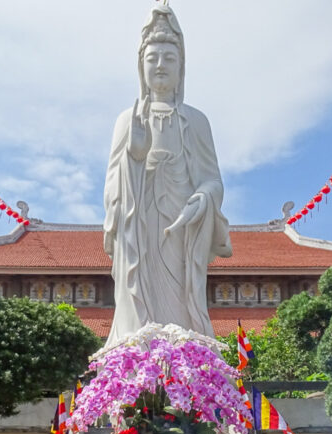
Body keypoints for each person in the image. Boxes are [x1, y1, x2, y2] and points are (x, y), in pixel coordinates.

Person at [102, 4, 232, 348]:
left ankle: (188, 362)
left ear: (181, 67)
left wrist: (201, 199)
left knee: (181, 313)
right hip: (139, 234)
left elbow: (213, 180)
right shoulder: (125, 120)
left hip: (183, 233)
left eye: (169, 58)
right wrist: (134, 155)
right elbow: (112, 189)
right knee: (139, 313)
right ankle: (136, 364)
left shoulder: (196, 121)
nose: (160, 65)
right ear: (141, 66)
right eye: (153, 58)